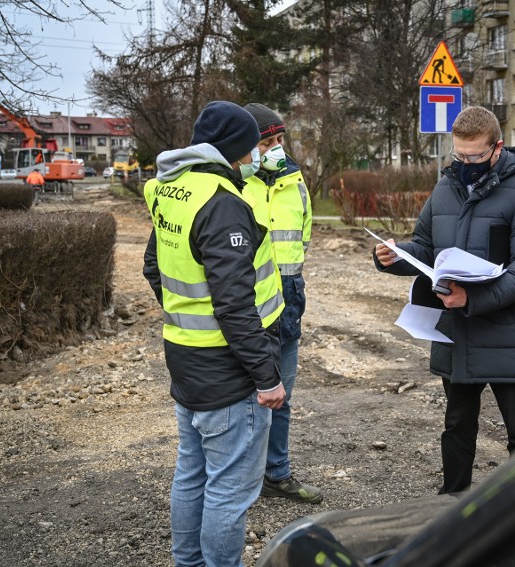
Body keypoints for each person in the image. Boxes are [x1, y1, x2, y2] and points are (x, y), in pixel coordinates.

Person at [373, 106, 515, 494]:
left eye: (475, 155)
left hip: (509, 333)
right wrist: (394, 255)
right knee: (456, 425)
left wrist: (471, 298)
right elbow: (426, 246)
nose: (467, 163)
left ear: (497, 148)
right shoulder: (445, 187)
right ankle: (452, 502)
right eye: (460, 155)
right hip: (457, 331)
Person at [142, 101, 286, 567]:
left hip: (185, 356)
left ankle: (189, 564)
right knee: (229, 490)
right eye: (251, 148)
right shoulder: (223, 203)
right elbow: (234, 306)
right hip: (229, 368)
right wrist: (267, 377)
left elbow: (153, 267)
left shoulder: (173, 188)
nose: (256, 156)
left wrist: (184, 316)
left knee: (192, 473)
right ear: (232, 149)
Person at [242, 103, 321, 504]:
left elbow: (302, 236)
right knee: (243, 403)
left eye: (278, 140)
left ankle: (277, 474)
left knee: (281, 398)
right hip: (246, 309)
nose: (274, 148)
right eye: (265, 141)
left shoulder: (295, 180)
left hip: (287, 303)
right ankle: (240, 482)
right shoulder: (234, 184)